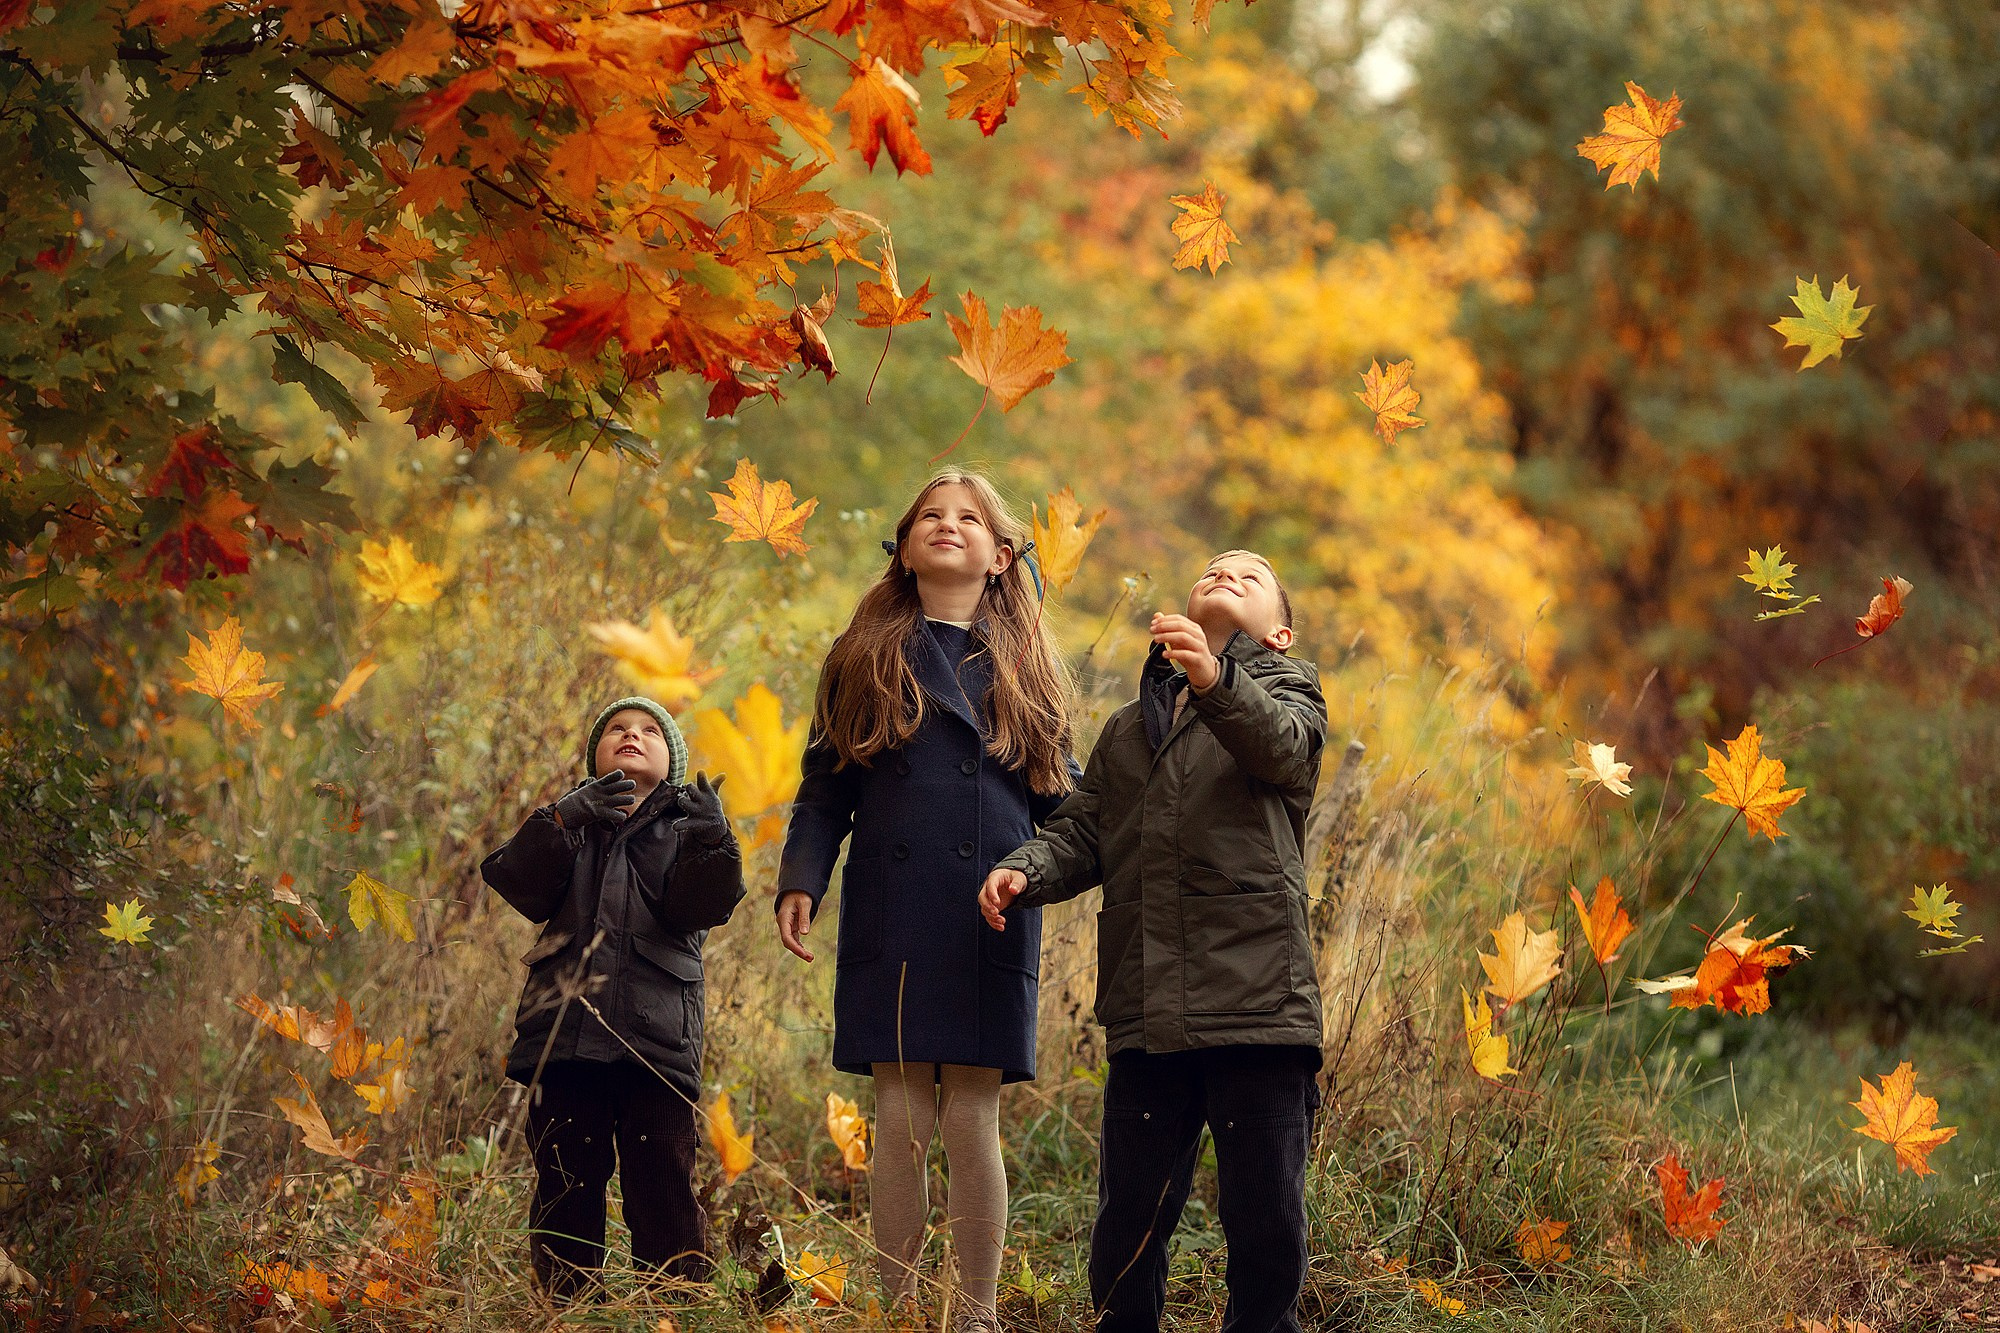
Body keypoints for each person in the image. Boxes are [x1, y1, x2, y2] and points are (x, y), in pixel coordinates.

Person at [979, 551, 1329, 1333]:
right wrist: (1023, 868)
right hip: (1148, 1012)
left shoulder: (1289, 691)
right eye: (1212, 571)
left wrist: (1216, 679)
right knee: (1128, 1222)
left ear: (1279, 633)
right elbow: (1083, 832)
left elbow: (1281, 746)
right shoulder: (1129, 727)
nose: (1225, 575)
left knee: (1265, 1220)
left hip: (1257, 1009)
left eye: (1249, 576)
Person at [774, 469, 1080, 1328]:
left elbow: (1068, 809)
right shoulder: (863, 653)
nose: (948, 525)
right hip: (894, 906)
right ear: (905, 550)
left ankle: (976, 1313)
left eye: (969, 518)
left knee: (973, 1112)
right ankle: (900, 1309)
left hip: (990, 913)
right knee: (901, 1110)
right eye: (931, 516)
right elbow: (824, 790)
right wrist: (802, 878)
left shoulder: (1028, 664)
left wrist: (1039, 871)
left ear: (1001, 555)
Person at [481, 696, 745, 1301]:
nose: (632, 735)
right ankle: (568, 1301)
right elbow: (519, 884)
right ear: (595, 756)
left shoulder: (685, 827)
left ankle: (676, 1299)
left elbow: (703, 907)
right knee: (566, 1174)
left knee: (662, 1176)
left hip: (655, 1041)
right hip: (564, 1036)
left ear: (672, 761)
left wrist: (714, 841)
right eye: (617, 729)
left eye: (650, 731)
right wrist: (559, 819)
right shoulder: (570, 823)